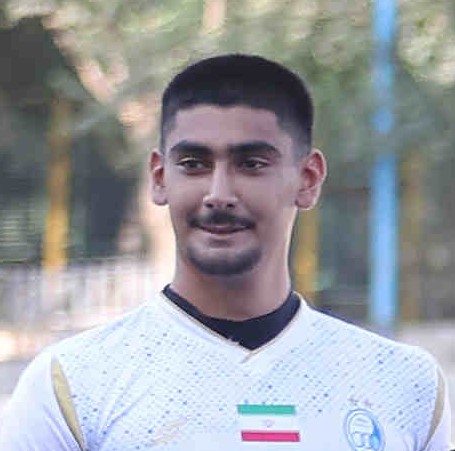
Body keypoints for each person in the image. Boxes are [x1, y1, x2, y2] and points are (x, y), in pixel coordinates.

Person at [0, 54, 451, 451]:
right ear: (159, 177)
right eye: (193, 164)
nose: (218, 194)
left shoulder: (402, 384)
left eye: (251, 164)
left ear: (308, 179)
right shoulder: (75, 384)